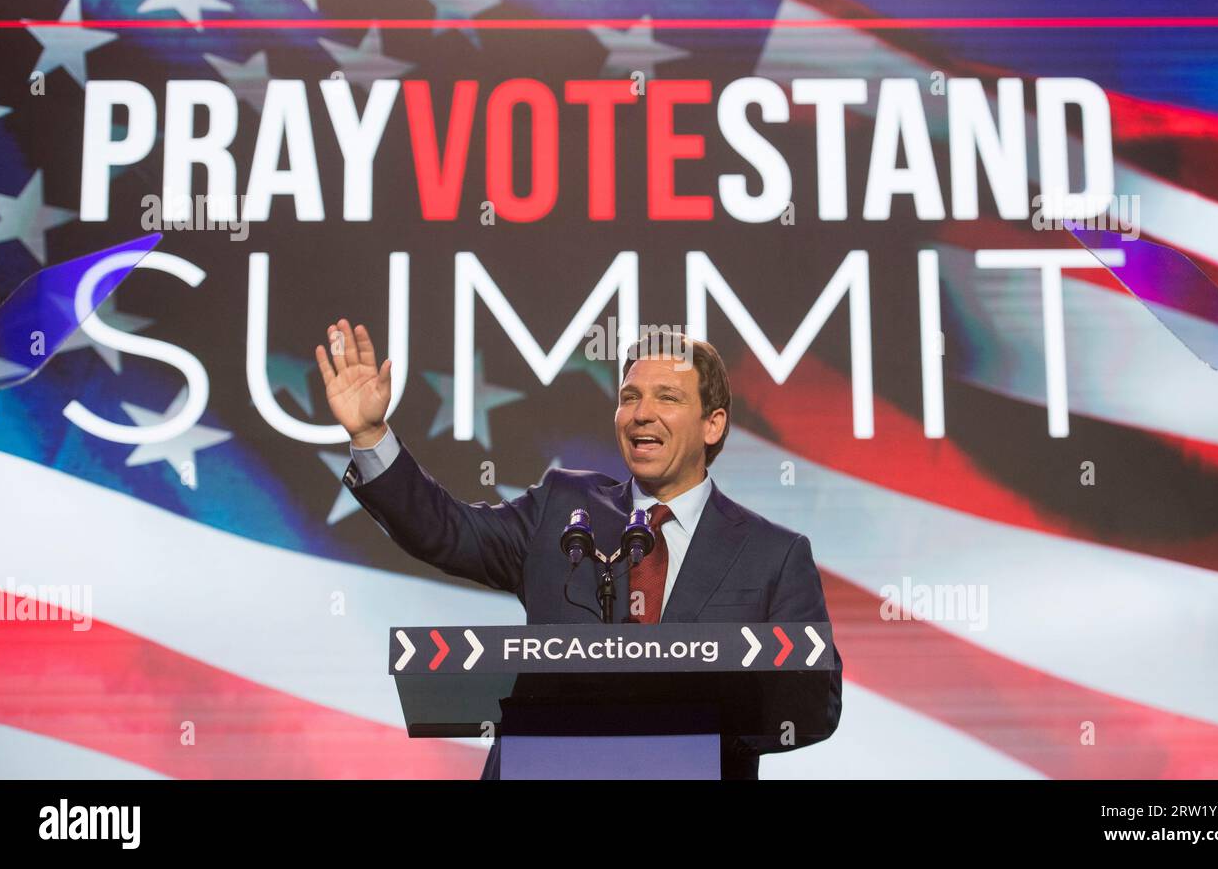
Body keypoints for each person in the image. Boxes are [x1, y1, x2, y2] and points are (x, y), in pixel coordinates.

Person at [316, 318, 842, 778]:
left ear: (713, 424)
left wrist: (706, 737)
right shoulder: (563, 508)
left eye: (668, 397)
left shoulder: (772, 555)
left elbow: (817, 702)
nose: (641, 413)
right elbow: (445, 531)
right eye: (630, 397)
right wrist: (370, 434)